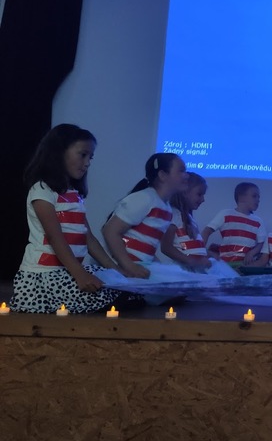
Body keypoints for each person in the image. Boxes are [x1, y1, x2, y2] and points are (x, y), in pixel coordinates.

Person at [10, 124, 138, 313]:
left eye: (90, 157)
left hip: (68, 273)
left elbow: (88, 238)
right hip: (45, 277)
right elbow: (55, 237)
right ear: (58, 152)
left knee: (130, 291)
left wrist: (115, 270)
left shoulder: (74, 194)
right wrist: (80, 274)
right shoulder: (42, 190)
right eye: (82, 155)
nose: (87, 163)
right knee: (111, 297)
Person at [102, 153, 188, 279]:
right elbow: (110, 231)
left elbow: (147, 247)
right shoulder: (145, 198)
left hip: (134, 272)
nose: (187, 175)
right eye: (181, 171)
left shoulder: (167, 209)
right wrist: (129, 266)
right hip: (118, 273)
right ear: (163, 175)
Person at [202, 182, 266, 266]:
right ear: (241, 197)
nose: (258, 199)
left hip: (246, 265)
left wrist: (251, 253)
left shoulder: (258, 221)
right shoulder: (225, 214)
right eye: (254, 196)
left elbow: (261, 243)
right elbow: (207, 231)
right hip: (226, 264)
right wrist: (201, 251)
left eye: (258, 197)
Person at [160, 172, 211, 271]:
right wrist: (192, 261)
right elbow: (166, 247)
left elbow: (194, 249)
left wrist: (208, 254)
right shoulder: (174, 214)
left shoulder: (190, 219)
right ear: (184, 192)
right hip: (182, 271)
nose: (203, 199)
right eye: (199, 194)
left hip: (195, 272)